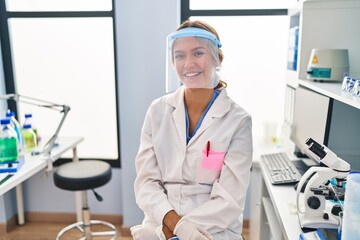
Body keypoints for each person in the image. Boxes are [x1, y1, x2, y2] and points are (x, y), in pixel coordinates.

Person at [131, 19, 253, 240]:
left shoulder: (238, 121)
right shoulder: (158, 111)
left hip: (213, 229)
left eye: (198, 53)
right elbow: (146, 182)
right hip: (161, 221)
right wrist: (174, 226)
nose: (188, 64)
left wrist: (179, 230)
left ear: (217, 58)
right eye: (179, 55)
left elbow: (229, 199)